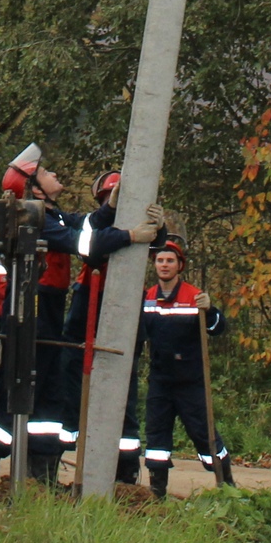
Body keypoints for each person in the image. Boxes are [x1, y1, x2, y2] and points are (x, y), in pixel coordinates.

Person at [0, 152, 92, 486]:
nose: (54, 173)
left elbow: (85, 224)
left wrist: (113, 207)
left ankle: (42, 470)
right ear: (35, 189)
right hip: (19, 323)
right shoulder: (37, 223)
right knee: (9, 399)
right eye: (46, 171)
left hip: (47, 318)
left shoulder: (57, 216)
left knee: (50, 399)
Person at [64, 170, 163, 483]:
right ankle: (59, 457)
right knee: (72, 381)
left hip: (125, 303)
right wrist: (131, 234)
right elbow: (93, 246)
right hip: (89, 300)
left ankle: (126, 469)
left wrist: (158, 228)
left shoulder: (133, 225)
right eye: (110, 199)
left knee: (125, 384)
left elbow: (157, 248)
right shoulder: (93, 223)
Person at [135, 239, 233, 497]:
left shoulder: (194, 296)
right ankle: (157, 493)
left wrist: (211, 310)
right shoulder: (147, 297)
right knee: (156, 439)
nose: (164, 265)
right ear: (154, 265)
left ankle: (226, 485)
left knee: (204, 435)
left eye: (169, 261)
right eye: (160, 260)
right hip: (160, 381)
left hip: (190, 382)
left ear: (180, 266)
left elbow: (217, 329)